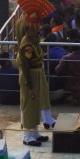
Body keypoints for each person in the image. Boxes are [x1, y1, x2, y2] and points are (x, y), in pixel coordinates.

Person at [17, 10, 56, 146]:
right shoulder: (27, 45)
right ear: (29, 29)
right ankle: (27, 135)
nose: (38, 29)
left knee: (36, 105)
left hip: (37, 74)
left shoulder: (33, 42)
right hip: (30, 76)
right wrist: (30, 85)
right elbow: (26, 66)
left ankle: (35, 132)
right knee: (29, 105)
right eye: (35, 28)